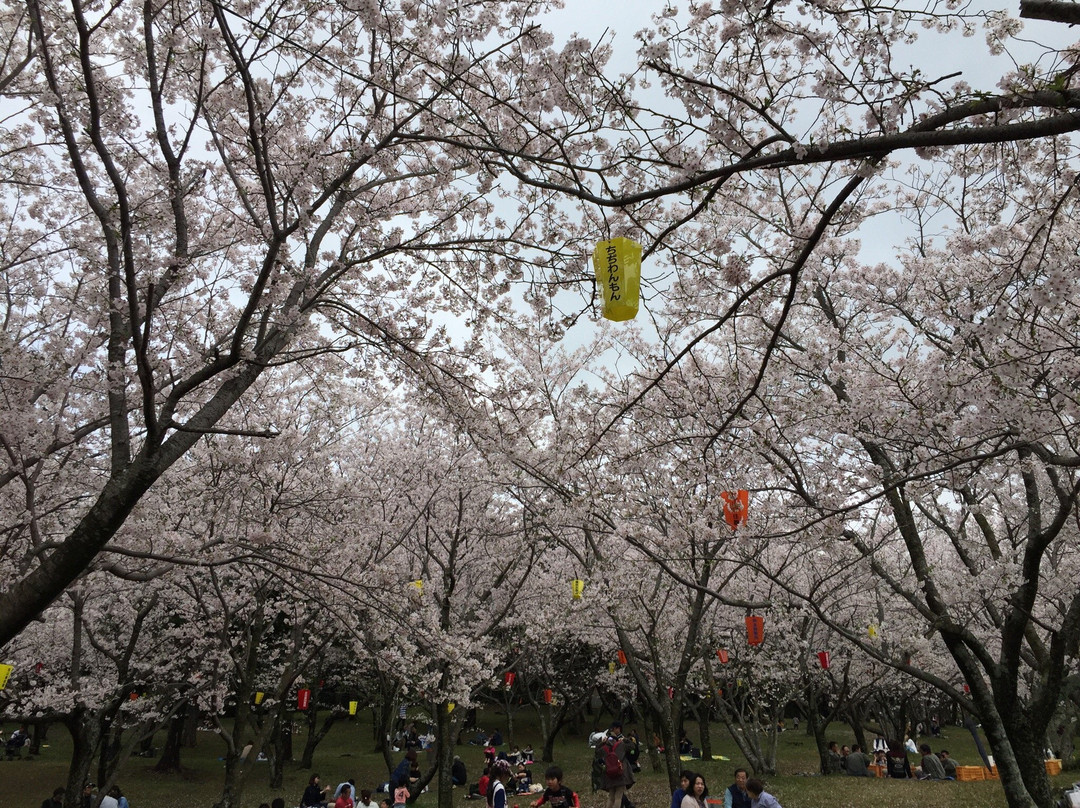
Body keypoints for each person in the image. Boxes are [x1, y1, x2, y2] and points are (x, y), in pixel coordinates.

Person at [595, 721, 634, 808]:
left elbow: (597, 752)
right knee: (618, 797)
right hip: (620, 773)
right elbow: (632, 747)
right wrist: (625, 739)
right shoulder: (621, 745)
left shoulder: (604, 748)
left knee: (611, 797)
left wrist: (602, 743)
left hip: (609, 774)